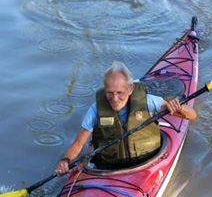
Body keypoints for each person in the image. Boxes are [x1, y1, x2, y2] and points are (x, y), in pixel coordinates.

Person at [55, 61, 197, 175]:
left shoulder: (148, 101)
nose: (115, 99)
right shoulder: (96, 110)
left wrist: (178, 108)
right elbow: (78, 143)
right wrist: (65, 161)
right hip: (108, 168)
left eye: (120, 93)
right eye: (110, 93)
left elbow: (192, 115)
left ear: (130, 90)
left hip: (147, 161)